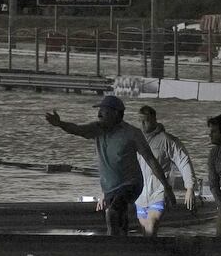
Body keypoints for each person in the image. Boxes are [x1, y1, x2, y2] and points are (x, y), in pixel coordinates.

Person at [44, 94, 169, 237]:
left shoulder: (132, 133)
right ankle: (124, 247)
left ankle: (113, 246)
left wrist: (167, 187)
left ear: (116, 113)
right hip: (110, 187)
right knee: (118, 220)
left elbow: (150, 160)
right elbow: (77, 129)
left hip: (131, 184)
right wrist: (60, 124)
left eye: (103, 111)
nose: (99, 114)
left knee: (113, 211)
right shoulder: (97, 129)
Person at [133, 104, 197, 238]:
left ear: (155, 119)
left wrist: (189, 188)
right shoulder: (136, 140)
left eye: (146, 120)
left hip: (160, 191)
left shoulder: (167, 140)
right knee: (145, 229)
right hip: (140, 194)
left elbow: (183, 161)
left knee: (151, 224)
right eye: (140, 121)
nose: (143, 124)